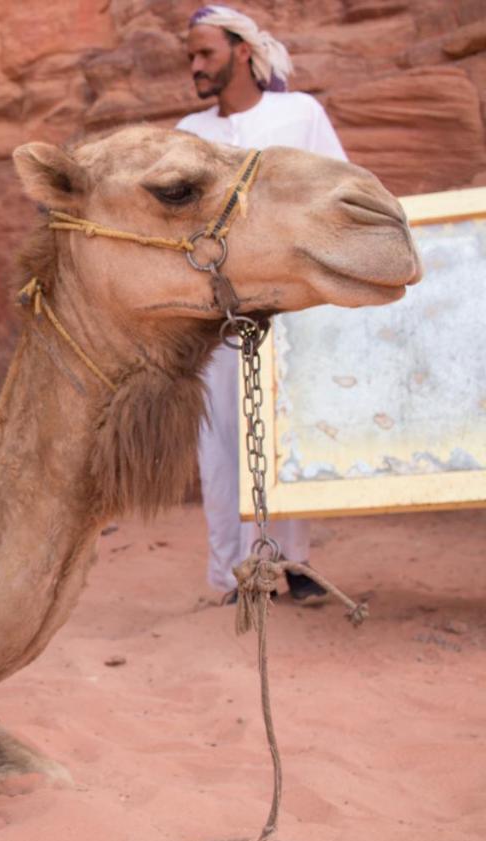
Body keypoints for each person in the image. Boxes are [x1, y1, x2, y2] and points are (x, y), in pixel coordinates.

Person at [176, 5, 344, 602]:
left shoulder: (299, 115)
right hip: (217, 314)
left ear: (241, 51)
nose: (195, 66)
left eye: (206, 54)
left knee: (283, 433)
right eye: (191, 56)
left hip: (290, 308)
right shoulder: (190, 134)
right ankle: (231, 577)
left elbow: (338, 191)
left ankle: (291, 566)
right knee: (221, 441)